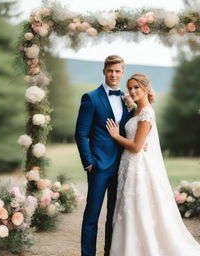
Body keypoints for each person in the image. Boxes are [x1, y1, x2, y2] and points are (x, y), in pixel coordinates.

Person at [106, 73, 200, 256]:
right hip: (129, 165)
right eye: (130, 88)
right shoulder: (136, 111)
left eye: (136, 88)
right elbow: (140, 140)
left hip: (138, 166)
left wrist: (116, 136)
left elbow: (136, 147)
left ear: (146, 89)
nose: (132, 91)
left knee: (135, 207)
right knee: (128, 207)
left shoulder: (147, 112)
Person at [75, 55, 133, 256]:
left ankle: (110, 252)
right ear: (104, 71)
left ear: (122, 72)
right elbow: (81, 133)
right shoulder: (90, 98)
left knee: (114, 216)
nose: (114, 74)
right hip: (98, 167)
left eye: (117, 71)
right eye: (110, 70)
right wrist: (89, 162)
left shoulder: (128, 99)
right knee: (92, 216)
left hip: (122, 166)